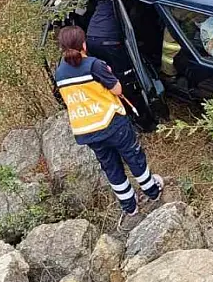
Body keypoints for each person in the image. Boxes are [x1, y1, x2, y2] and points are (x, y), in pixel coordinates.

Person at [55, 26, 164, 228]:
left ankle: (129, 207)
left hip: (88, 130)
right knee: (133, 155)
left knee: (111, 167)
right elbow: (117, 88)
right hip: (112, 122)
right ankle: (152, 191)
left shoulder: (60, 72)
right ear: (84, 45)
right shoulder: (93, 65)